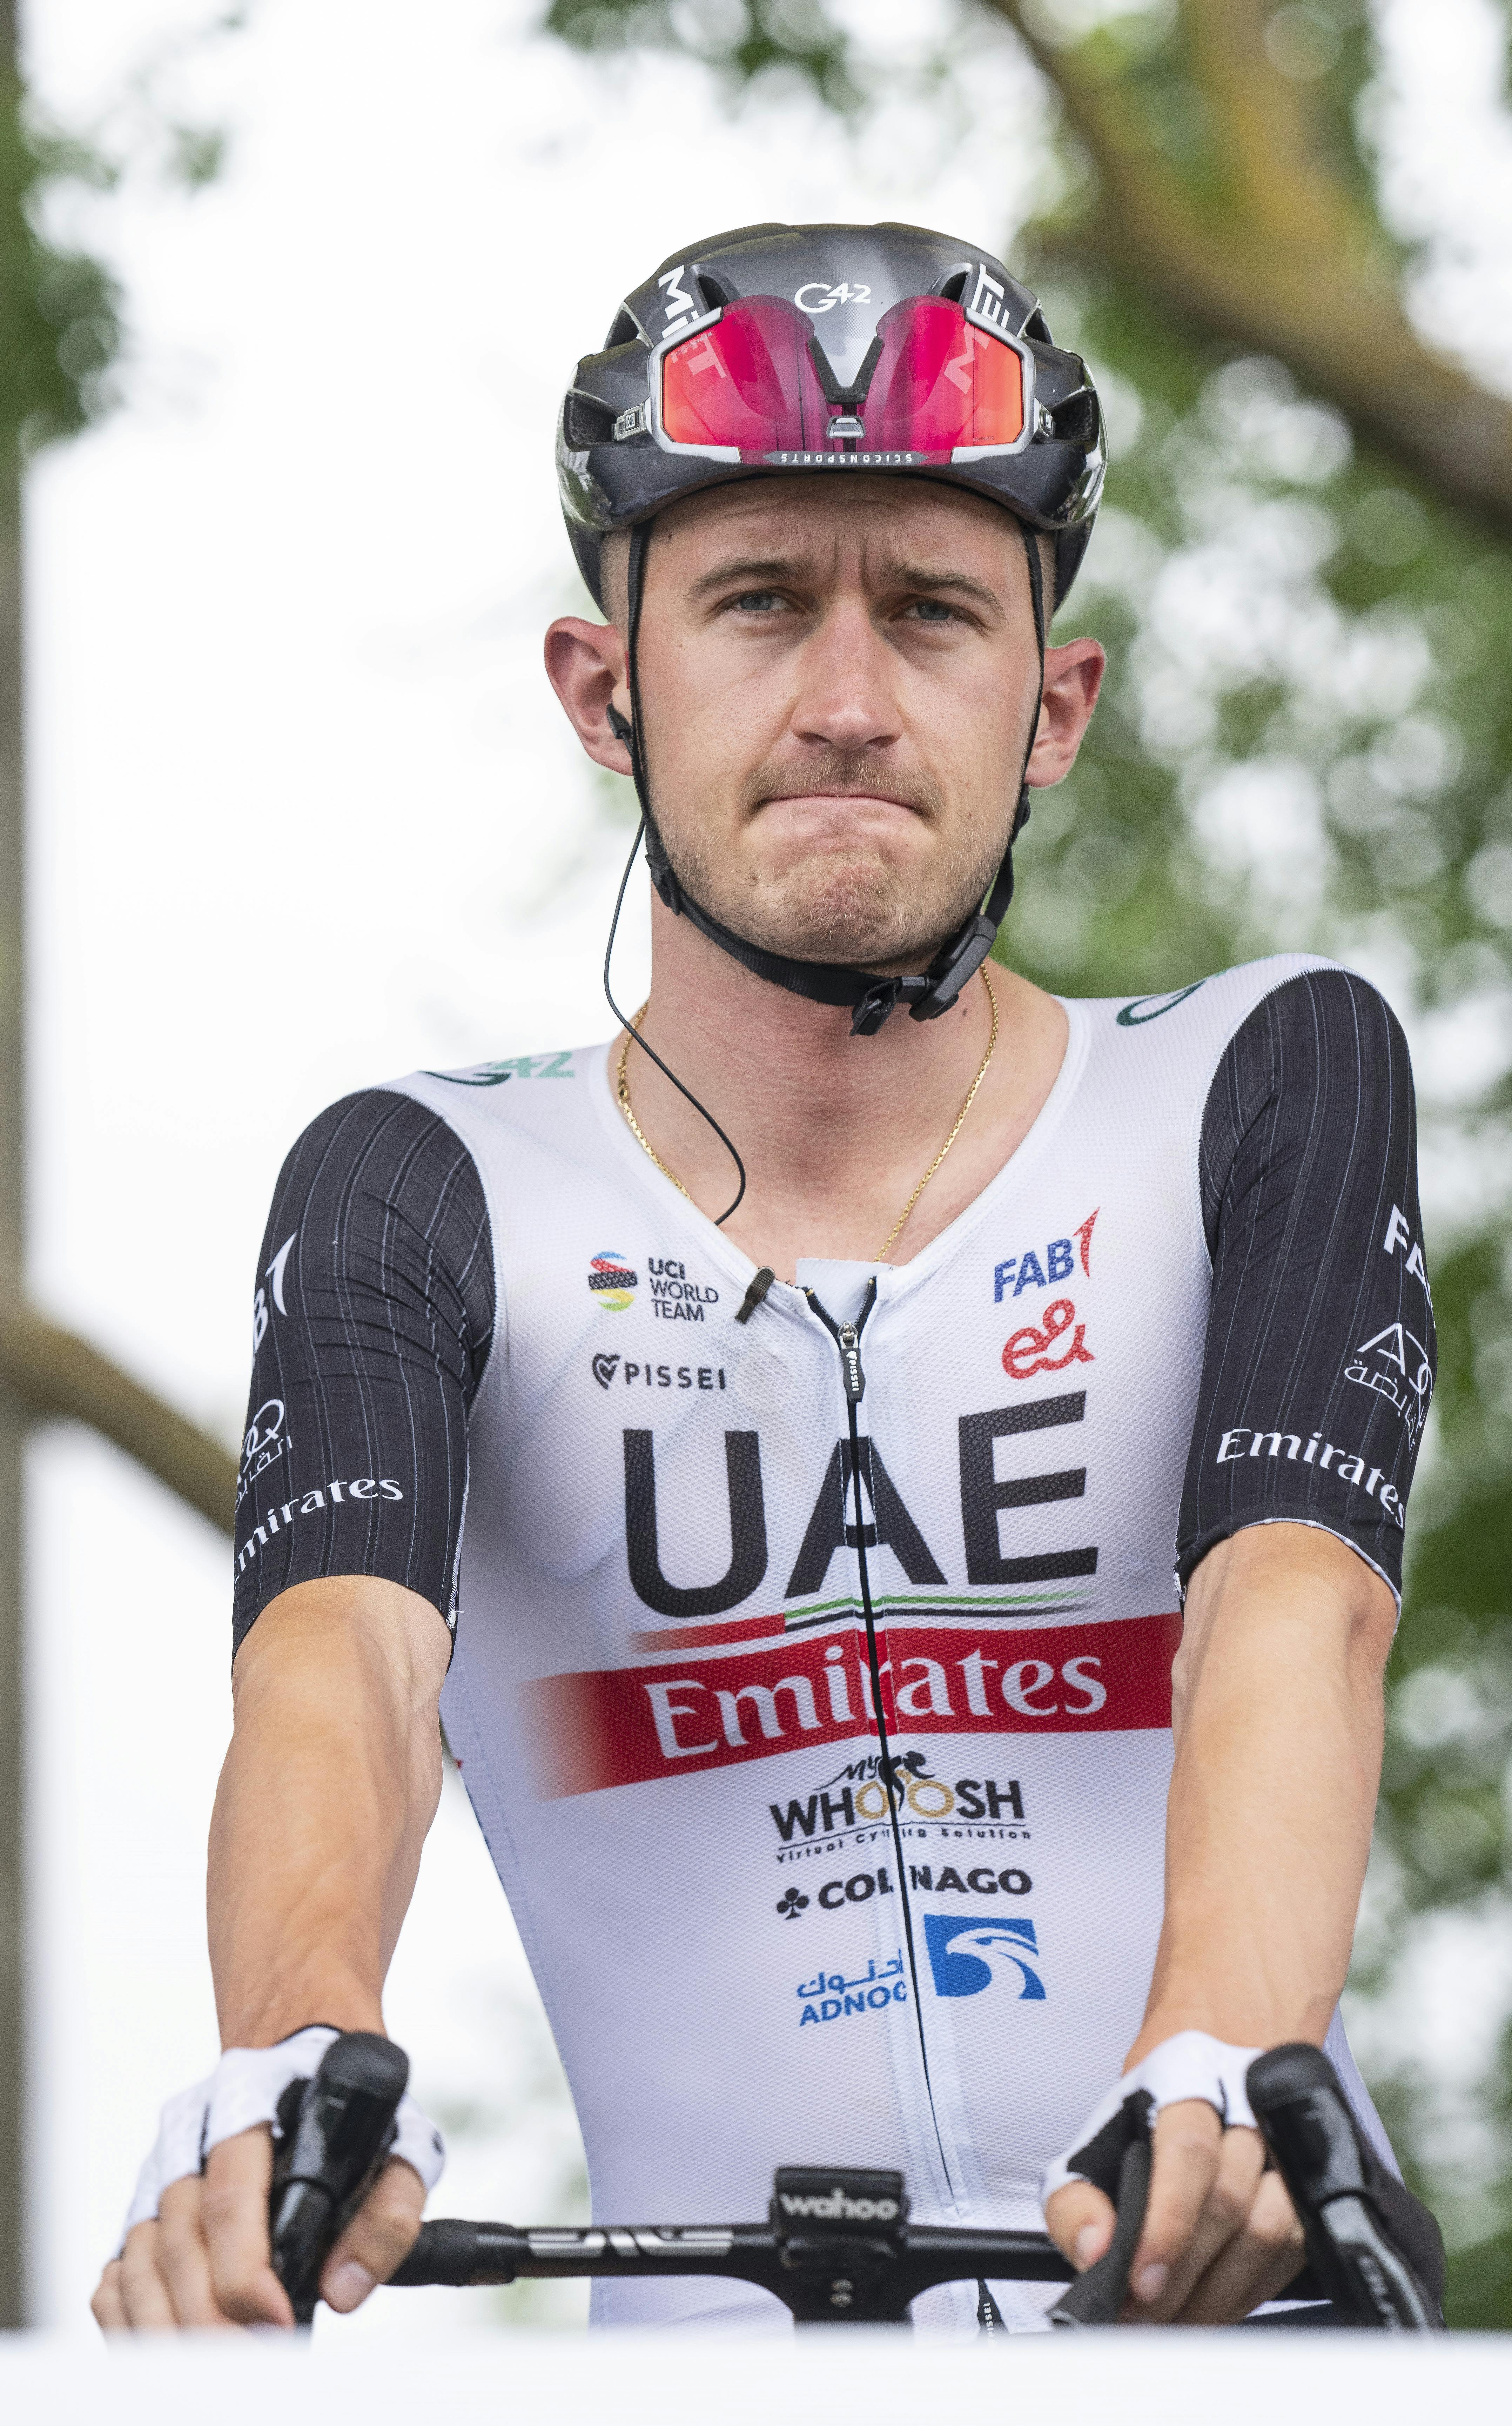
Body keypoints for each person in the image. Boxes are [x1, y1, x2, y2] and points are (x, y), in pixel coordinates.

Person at [93, 222, 1439, 2336]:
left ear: (1055, 703)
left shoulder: (1258, 1083)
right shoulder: (425, 1183)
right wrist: (283, 2059)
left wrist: (1214, 2064)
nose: (843, 700)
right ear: (602, 687)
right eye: (754, 602)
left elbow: (1298, 1600)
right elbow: (341, 1665)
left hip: (1221, 2331)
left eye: (929, 613)